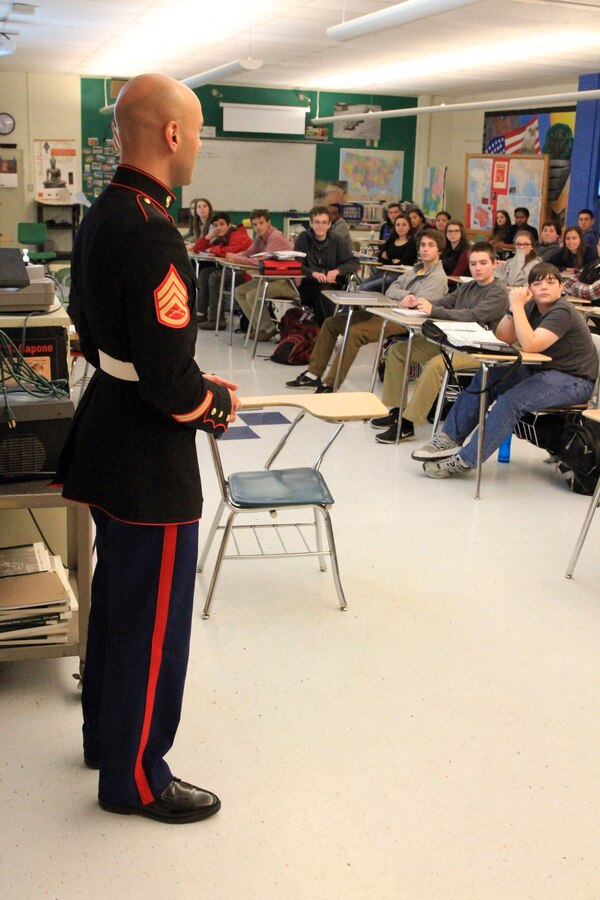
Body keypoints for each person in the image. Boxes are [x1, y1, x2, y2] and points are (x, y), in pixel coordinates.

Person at [55, 74, 240, 824]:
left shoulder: (104, 213)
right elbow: (169, 383)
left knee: (118, 604)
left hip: (105, 425)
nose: (197, 145)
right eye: (195, 132)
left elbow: (99, 329)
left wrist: (176, 374)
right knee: (153, 620)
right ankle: (135, 777)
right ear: (171, 135)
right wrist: (216, 402)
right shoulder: (155, 230)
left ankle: (108, 737)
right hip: (147, 453)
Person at [413, 263, 598, 478]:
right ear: (530, 289)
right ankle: (449, 438)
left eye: (550, 282)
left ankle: (465, 460)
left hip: (575, 379)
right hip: (542, 371)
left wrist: (518, 307)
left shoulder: (563, 310)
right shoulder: (531, 307)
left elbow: (530, 346)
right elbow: (504, 336)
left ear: (561, 287)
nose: (544, 288)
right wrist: (513, 308)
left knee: (511, 401)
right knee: (488, 378)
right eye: (538, 284)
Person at [372, 242, 508, 443]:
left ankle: (408, 423)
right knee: (398, 351)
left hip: (479, 349)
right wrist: (417, 302)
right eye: (473, 264)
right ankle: (395, 409)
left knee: (436, 365)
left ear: (494, 264)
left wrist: (432, 310)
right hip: (453, 340)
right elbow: (446, 302)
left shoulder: (498, 291)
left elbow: (472, 316)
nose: (477, 268)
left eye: (483, 263)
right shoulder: (469, 286)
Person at [285, 229, 448, 393]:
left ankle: (330, 384)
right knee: (331, 323)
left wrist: (409, 299)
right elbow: (392, 290)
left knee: (355, 332)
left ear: (439, 249)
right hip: (391, 311)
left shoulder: (438, 277)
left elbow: (420, 303)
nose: (425, 249)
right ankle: (313, 374)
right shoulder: (416, 269)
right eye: (423, 245)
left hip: (407, 322)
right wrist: (408, 295)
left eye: (431, 246)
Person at [228, 209, 296, 341]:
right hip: (270, 279)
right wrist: (235, 256)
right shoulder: (260, 237)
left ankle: (269, 329)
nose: (258, 227)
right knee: (239, 291)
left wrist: (237, 259)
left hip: (285, 281)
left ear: (268, 223)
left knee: (252, 295)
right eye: (255, 224)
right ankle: (259, 327)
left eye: (261, 223)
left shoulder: (275, 236)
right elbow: (249, 253)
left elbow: (262, 262)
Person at [293, 205, 359, 324]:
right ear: (311, 223)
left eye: (324, 222)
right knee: (323, 294)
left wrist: (337, 271)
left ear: (329, 224)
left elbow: (353, 262)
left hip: (333, 285)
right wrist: (312, 273)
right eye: (317, 222)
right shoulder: (303, 238)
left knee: (325, 294)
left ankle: (323, 330)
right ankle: (329, 329)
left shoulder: (337, 240)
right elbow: (298, 264)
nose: (320, 226)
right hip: (309, 286)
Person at [192, 212, 252, 329]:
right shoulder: (222, 238)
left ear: (229, 225)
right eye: (215, 225)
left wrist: (213, 249)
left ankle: (217, 320)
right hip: (231, 270)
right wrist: (209, 235)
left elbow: (232, 250)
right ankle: (201, 314)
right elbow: (197, 248)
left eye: (221, 224)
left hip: (244, 272)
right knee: (204, 273)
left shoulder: (238, 235)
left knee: (216, 276)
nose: (218, 227)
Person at [359, 213, 417, 293]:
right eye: (398, 225)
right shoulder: (391, 240)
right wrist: (393, 261)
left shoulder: (412, 243)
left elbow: (404, 263)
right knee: (360, 287)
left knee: (365, 288)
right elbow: (380, 258)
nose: (401, 227)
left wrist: (388, 260)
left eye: (404, 225)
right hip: (384, 272)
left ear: (409, 227)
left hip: (399, 276)